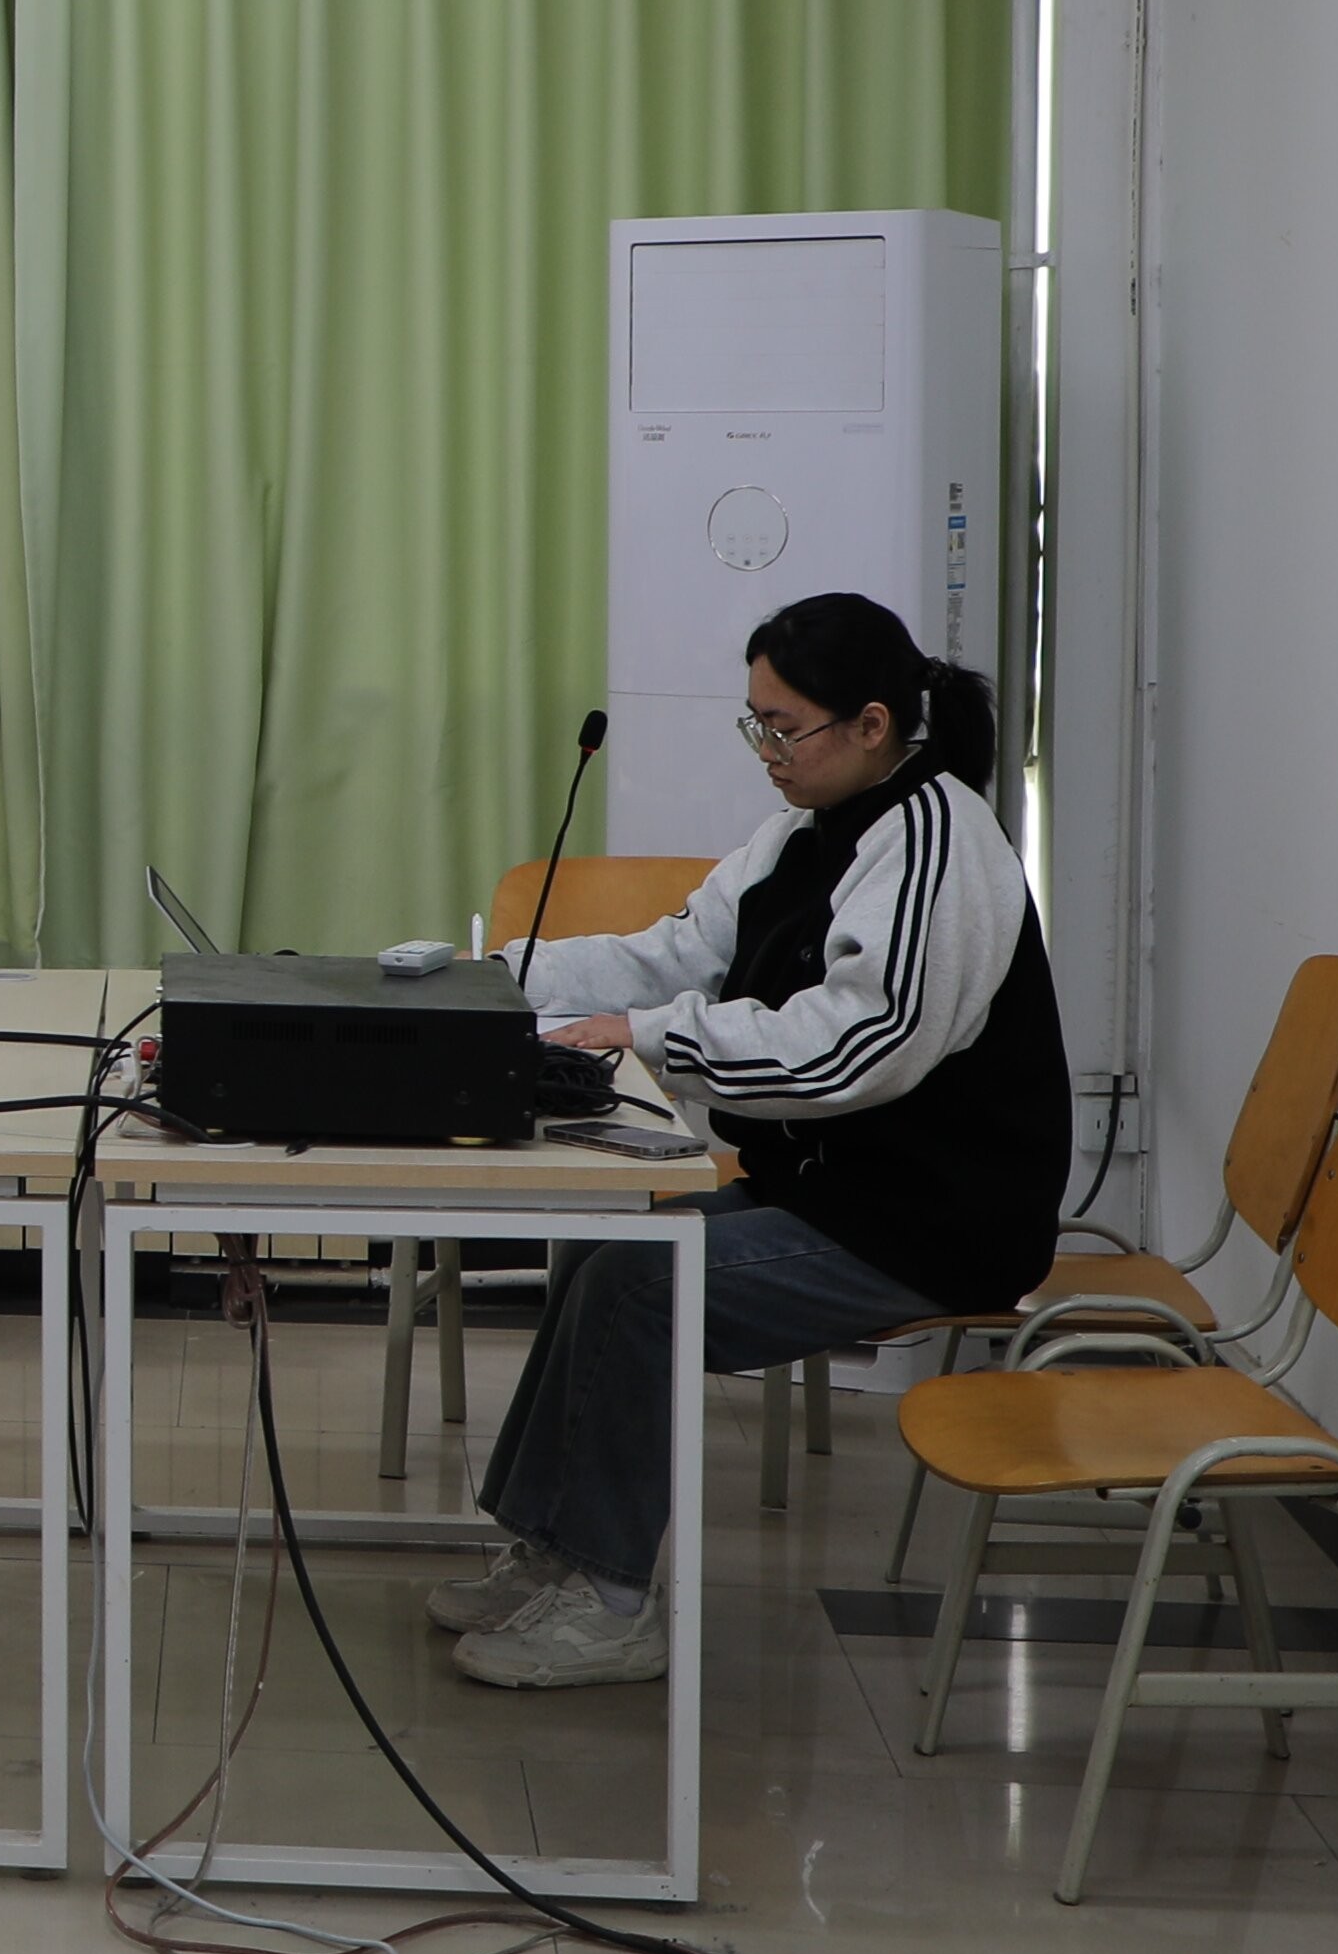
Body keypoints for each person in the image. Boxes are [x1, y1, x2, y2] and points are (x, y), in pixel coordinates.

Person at [431, 590, 1071, 1690]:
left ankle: (614, 1607)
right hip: (833, 1194)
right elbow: (676, 952)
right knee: (599, 1247)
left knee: (640, 1285)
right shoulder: (805, 833)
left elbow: (856, 1049)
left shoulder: (939, 843)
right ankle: (557, 1550)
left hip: (928, 1225)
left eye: (784, 728)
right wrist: (494, 978)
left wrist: (653, 1036)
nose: (767, 753)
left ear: (872, 724)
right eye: (756, 725)